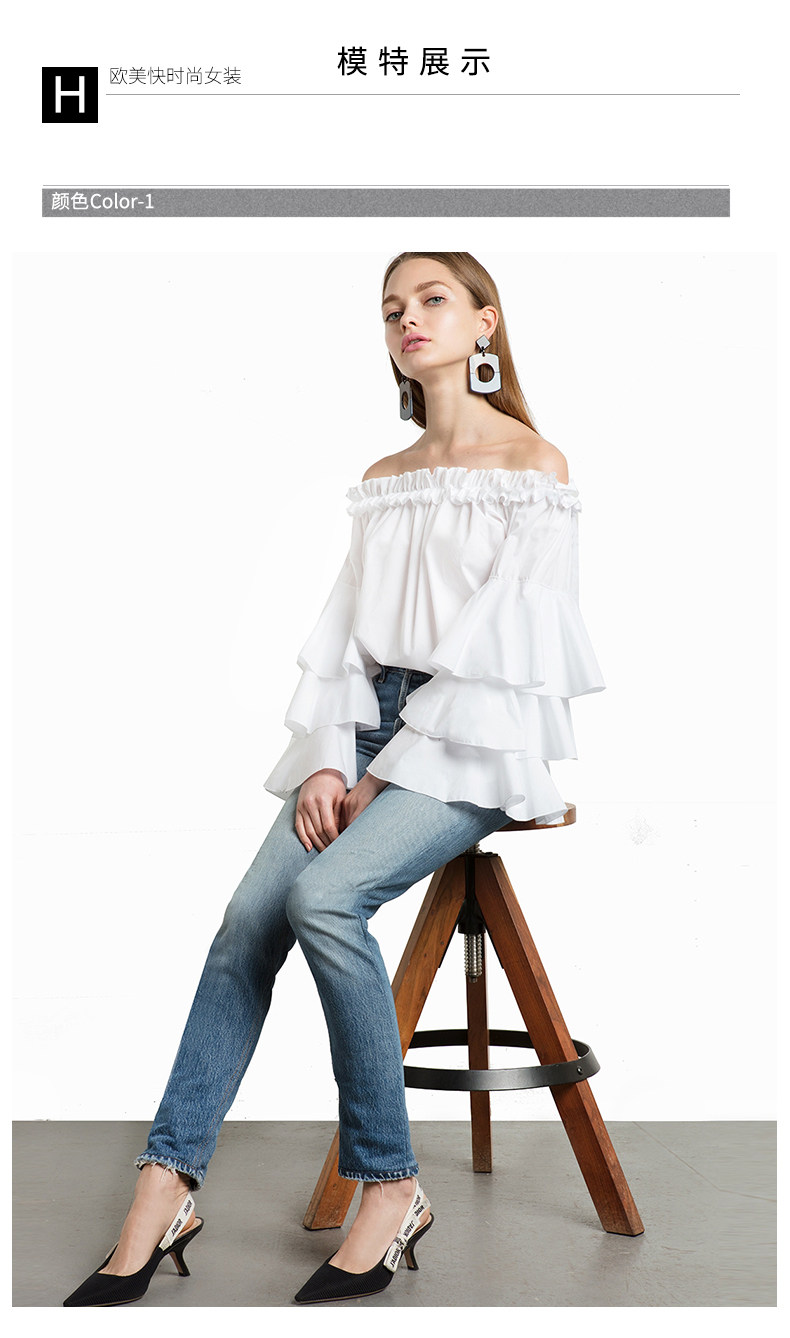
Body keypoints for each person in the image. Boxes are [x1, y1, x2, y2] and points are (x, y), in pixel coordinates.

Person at [63, 251, 605, 1307]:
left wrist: (386, 771)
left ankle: (390, 1184)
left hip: (474, 736)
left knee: (323, 896)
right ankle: (164, 1183)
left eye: (433, 300)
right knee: (245, 923)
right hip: (365, 726)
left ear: (486, 322)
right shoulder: (387, 478)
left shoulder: (533, 466)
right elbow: (345, 637)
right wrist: (328, 754)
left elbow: (502, 657)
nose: (408, 320)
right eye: (392, 308)